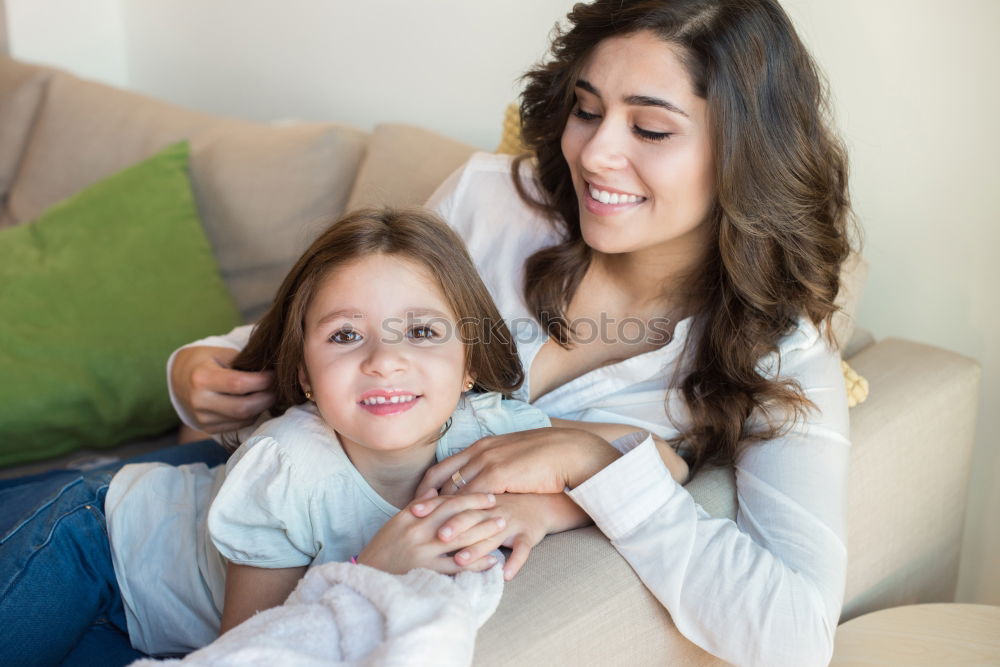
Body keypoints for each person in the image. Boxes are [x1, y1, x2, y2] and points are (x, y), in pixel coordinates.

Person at [111, 0, 856, 664]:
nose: (594, 152)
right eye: (588, 110)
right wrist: (192, 371)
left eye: (651, 127)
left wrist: (592, 464)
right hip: (135, 538)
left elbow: (794, 636)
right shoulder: (496, 201)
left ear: (744, 154)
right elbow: (331, 333)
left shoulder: (780, 358)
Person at [0, 208, 690, 665]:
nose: (384, 359)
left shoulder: (490, 430)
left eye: (421, 332)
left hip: (153, 630)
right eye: (345, 335)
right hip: (91, 546)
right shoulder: (289, 465)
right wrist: (369, 574)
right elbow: (254, 645)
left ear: (471, 363)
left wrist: (546, 504)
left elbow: (663, 459)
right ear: (303, 372)